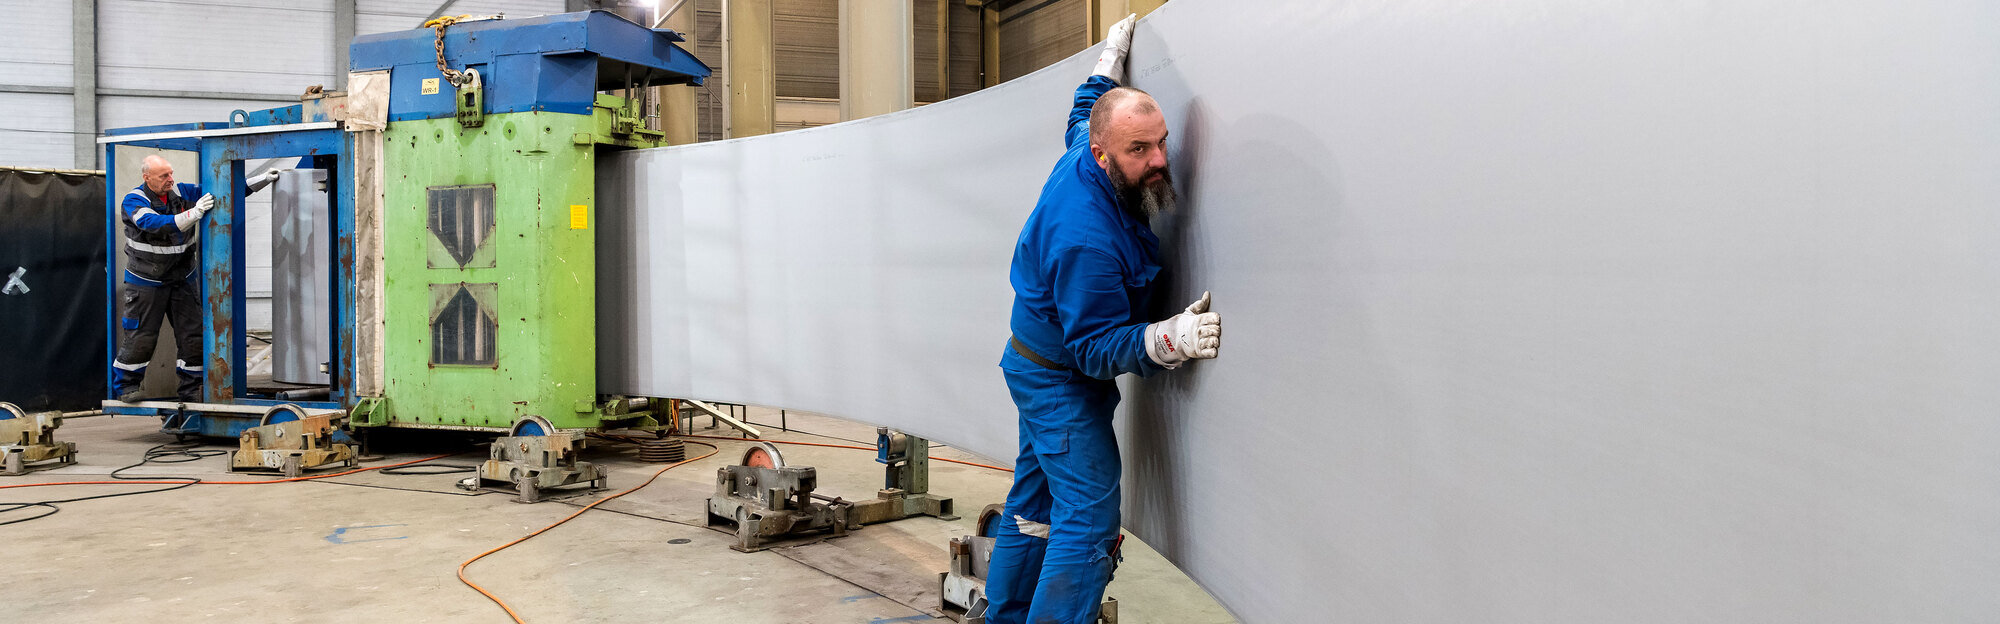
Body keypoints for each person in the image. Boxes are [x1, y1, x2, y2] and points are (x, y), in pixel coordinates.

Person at [987, 14, 1222, 624]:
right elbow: (1092, 349)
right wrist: (1169, 338)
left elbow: (1083, 110)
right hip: (1061, 381)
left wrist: (1107, 63)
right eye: (1139, 150)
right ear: (1104, 153)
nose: (1159, 161)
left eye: (1162, 141)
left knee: (1034, 505)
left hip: (1035, 363)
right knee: (1088, 518)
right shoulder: (1086, 235)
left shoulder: (1085, 150)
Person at [110, 155, 277, 402]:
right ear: (146, 178)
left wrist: (261, 179)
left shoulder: (183, 192)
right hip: (146, 281)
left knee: (194, 336)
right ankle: (126, 387)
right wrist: (194, 214)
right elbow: (154, 223)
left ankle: (191, 390)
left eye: (171, 173)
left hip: (182, 278)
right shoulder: (134, 200)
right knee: (141, 335)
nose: (170, 179)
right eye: (163, 176)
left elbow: (225, 191)